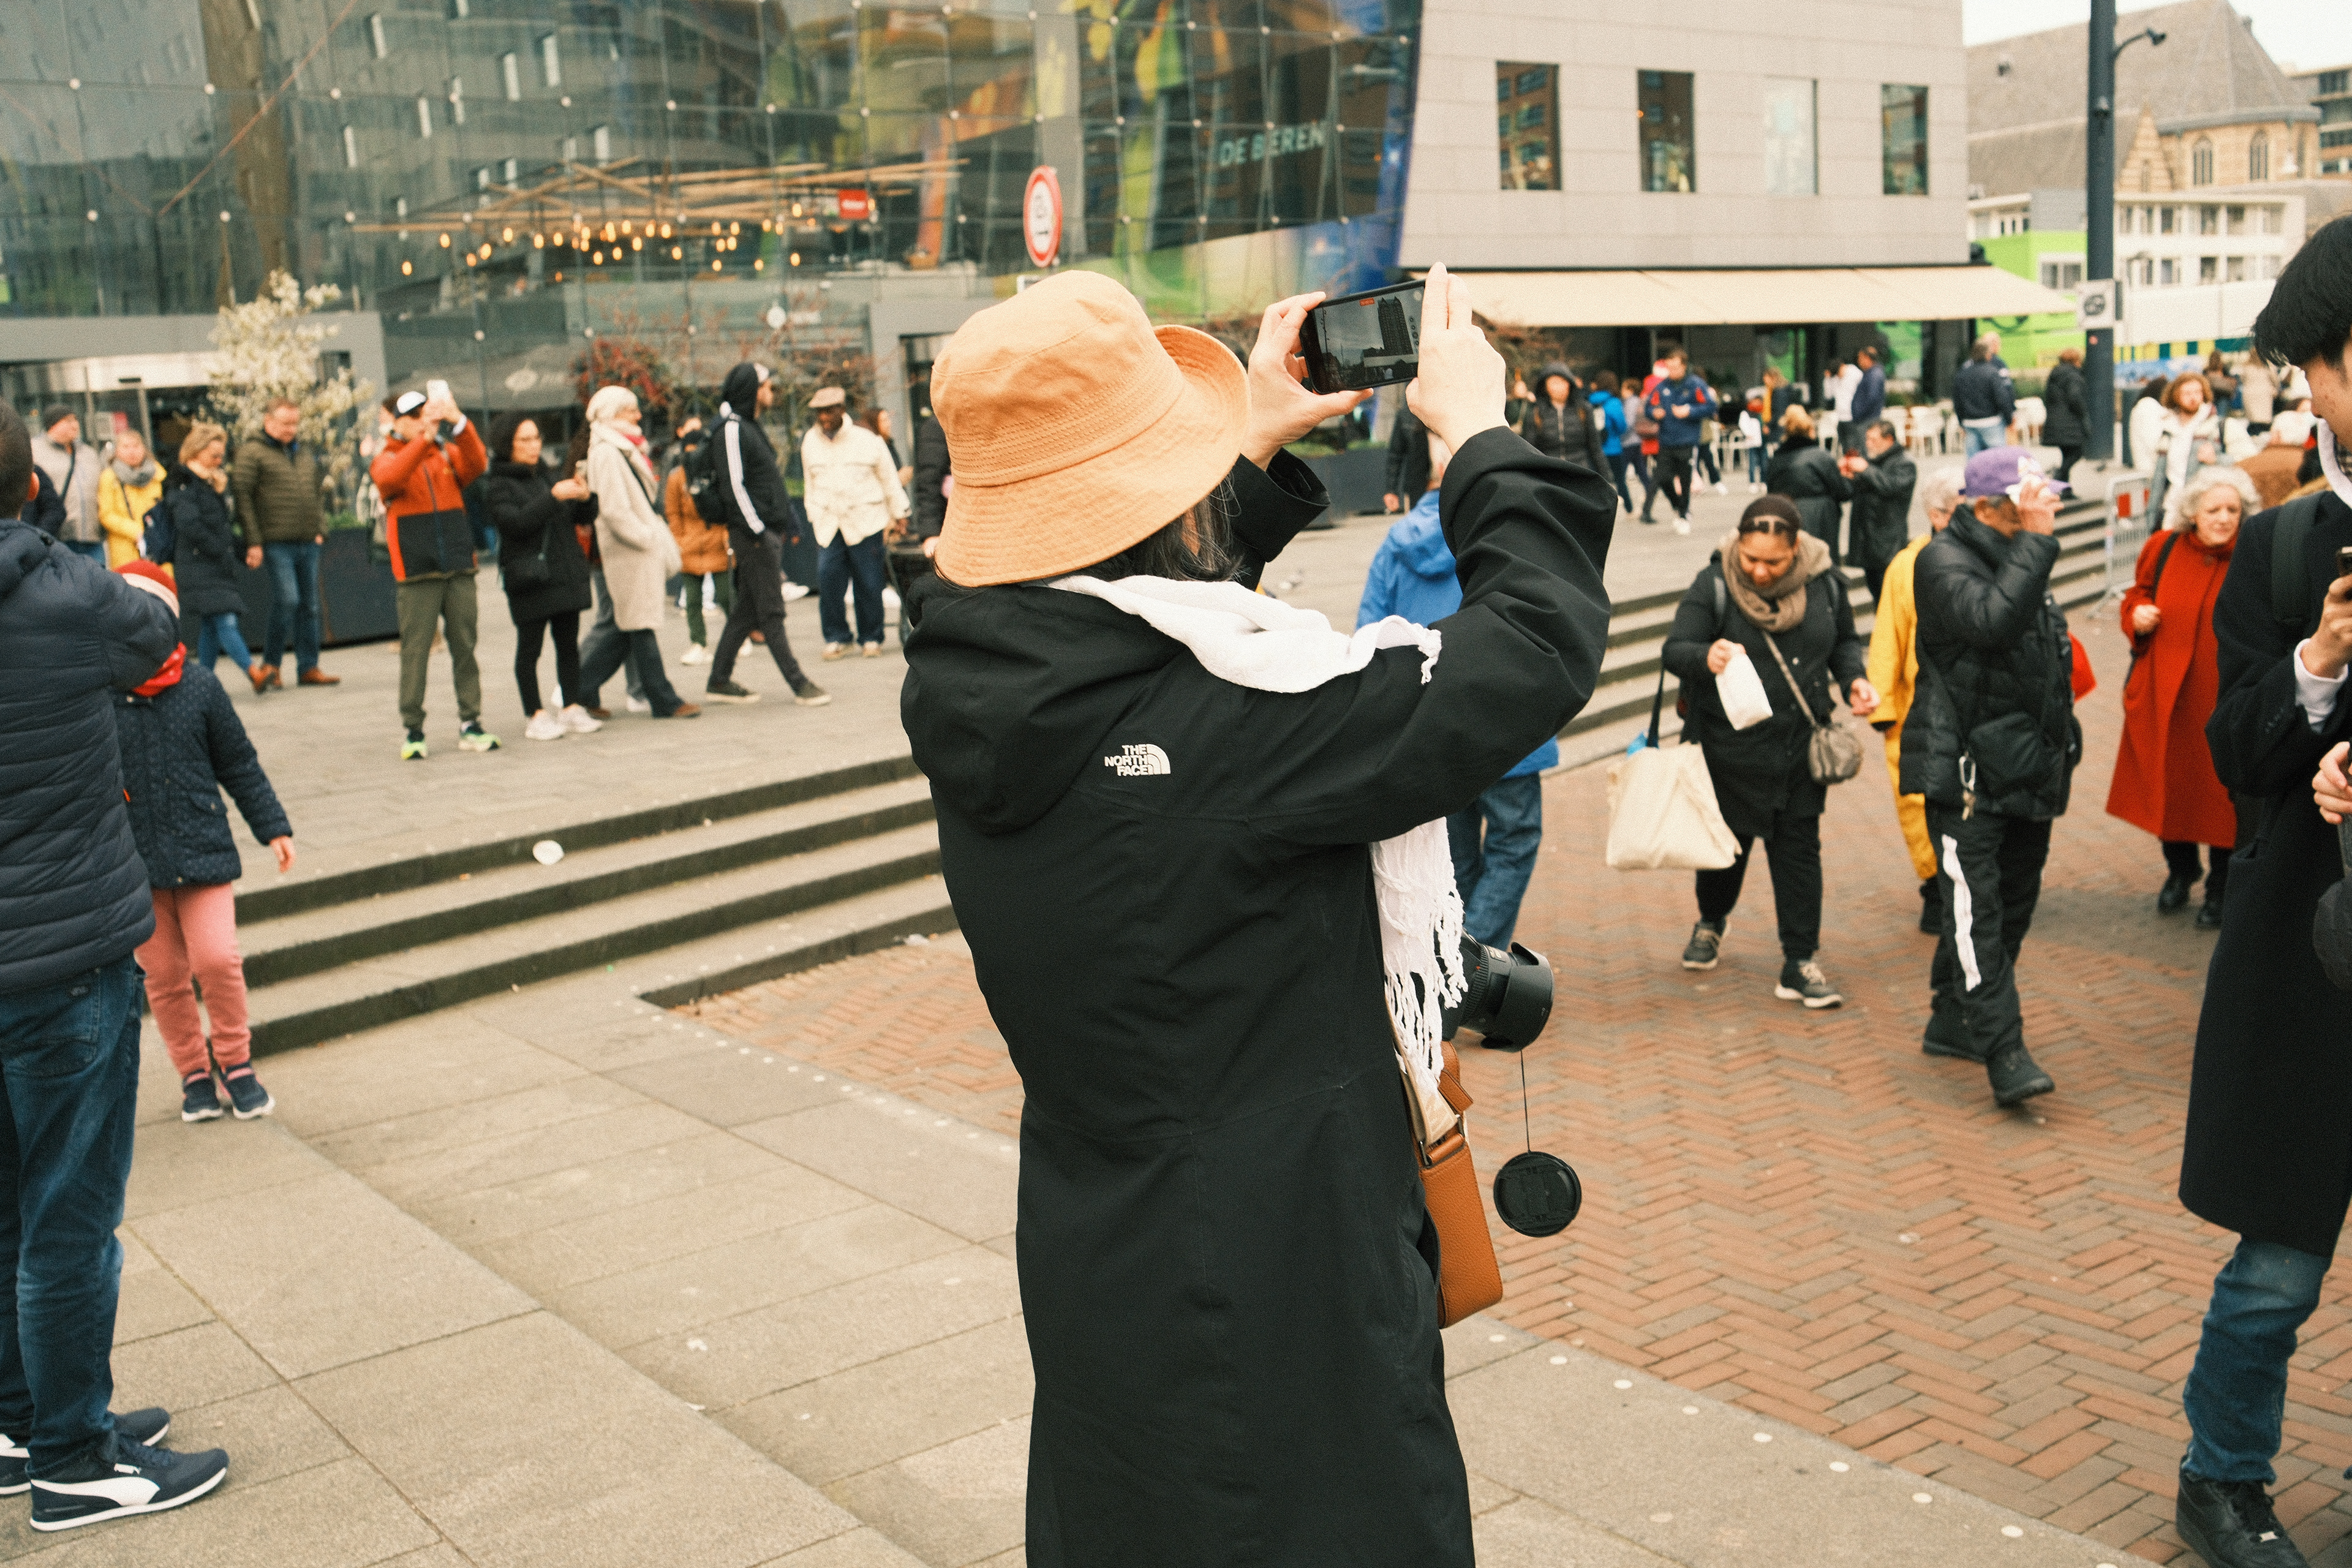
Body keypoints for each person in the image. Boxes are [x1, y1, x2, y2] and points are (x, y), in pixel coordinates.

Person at [901, 262, 1611, 1568]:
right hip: (1284, 1264)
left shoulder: (982, 676)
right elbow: (1532, 644)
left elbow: (1129, 617)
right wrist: (1480, 438)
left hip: (1109, 1240)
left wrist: (1250, 446)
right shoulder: (1237, 732)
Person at [0, 403, 229, 1530]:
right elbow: (159, 624)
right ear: (30, 485)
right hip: (64, 957)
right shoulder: (61, 591)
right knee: (68, 1221)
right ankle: (75, 1460)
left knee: (8, 1211)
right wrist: (47, 537)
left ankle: (21, 1422)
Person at [2174, 216, 2352, 1568]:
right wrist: (2318, 670)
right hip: (2313, 954)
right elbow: (2234, 748)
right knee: (2277, 1268)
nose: (2327, 396)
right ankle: (2223, 1480)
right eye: (2326, 371)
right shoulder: (2288, 545)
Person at [1902, 445, 2073, 1108]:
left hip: (2027, 767)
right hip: (1966, 775)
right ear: (1987, 508)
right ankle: (2003, 1049)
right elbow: (1991, 623)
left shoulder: (2021, 555)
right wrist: (2036, 542)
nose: (2045, 512)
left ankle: (1953, 1019)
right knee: (1978, 917)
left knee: (2015, 904)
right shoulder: (1941, 559)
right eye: (2031, 503)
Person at [1664, 497, 1874, 1007]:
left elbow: (1844, 641)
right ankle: (1711, 921)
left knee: (1799, 851)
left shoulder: (1825, 584)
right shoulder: (1714, 584)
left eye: (1773, 562)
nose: (1759, 571)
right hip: (1728, 749)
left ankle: (1799, 961)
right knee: (1726, 850)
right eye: (1751, 558)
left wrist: (1855, 679)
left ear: (1796, 549)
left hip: (1799, 747)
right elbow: (1675, 650)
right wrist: (1706, 655)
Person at [107, 559, 293, 1121]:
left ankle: (236, 1062)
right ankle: (193, 1072)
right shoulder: (100, 695)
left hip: (201, 848)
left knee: (217, 959)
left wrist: (273, 826)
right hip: (135, 866)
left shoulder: (199, 685)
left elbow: (239, 764)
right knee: (164, 977)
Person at [1356, 454, 1561, 954]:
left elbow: (1369, 637)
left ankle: (1454, 958)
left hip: (1431, 721)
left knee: (1456, 855)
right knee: (1514, 841)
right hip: (1507, 713)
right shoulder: (1506, 536)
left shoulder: (1396, 544)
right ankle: (1471, 966)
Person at [2107, 465, 2253, 929]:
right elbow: (2137, 595)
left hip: (2224, 698)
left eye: (2233, 510)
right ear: (2193, 513)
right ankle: (2181, 870)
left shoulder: (2254, 555)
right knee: (2168, 791)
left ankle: (2220, 889)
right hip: (2166, 697)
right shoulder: (2163, 546)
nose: (2224, 518)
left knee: (2225, 801)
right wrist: (2136, 614)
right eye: (2214, 510)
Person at [1864, 466, 1963, 933]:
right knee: (1920, 799)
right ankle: (1934, 886)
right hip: (1921, 705)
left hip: (1976, 703)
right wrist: (1883, 706)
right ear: (1938, 516)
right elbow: (1889, 636)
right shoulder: (1907, 566)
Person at [371, 388, 496, 760]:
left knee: (465, 646)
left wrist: (459, 422)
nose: (423, 422)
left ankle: (471, 722)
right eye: (414, 416)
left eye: (427, 414)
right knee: (416, 651)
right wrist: (422, 441)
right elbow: (390, 480)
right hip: (416, 570)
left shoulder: (446, 453)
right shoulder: (386, 457)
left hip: (457, 564)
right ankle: (413, 729)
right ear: (398, 422)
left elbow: (478, 463)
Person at [703, 362, 828, 707]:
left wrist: (785, 525)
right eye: (767, 386)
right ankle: (798, 682)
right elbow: (734, 487)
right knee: (771, 611)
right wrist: (758, 530)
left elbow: (766, 482)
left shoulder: (749, 427)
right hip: (753, 536)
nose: (772, 392)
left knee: (746, 611)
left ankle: (718, 680)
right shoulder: (731, 429)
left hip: (764, 533)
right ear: (752, 390)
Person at [576, 386, 696, 720]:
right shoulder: (608, 452)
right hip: (628, 551)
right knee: (638, 626)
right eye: (631, 410)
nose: (638, 416)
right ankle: (663, 699)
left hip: (631, 551)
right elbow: (614, 511)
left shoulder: (620, 448)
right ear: (613, 415)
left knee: (629, 627)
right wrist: (647, 539)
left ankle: (580, 690)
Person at [481, 412, 600, 742]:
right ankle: (534, 714)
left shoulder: (548, 476)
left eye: (537, 438)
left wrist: (585, 497)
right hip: (529, 577)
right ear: (507, 444)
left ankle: (571, 706)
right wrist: (553, 497)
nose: (534, 446)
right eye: (525, 440)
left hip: (563, 572)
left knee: (568, 645)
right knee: (530, 648)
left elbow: (581, 517)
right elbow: (516, 524)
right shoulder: (497, 484)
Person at [232, 397, 338, 689]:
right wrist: (253, 541)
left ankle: (308, 667)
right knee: (288, 601)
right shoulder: (251, 452)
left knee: (310, 606)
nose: (292, 429)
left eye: (295, 423)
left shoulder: (303, 451)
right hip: (275, 542)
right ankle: (272, 665)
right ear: (268, 421)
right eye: (285, 423)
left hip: (308, 540)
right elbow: (243, 498)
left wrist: (321, 529)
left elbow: (316, 493)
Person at [800, 386, 908, 659]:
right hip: (829, 524)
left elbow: (889, 480)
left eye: (828, 411)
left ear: (842, 409)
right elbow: (809, 484)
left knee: (869, 582)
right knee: (828, 580)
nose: (823, 417)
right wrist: (813, 513)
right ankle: (837, 637)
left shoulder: (868, 440)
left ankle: (871, 637)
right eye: (819, 412)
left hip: (866, 521)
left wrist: (900, 514)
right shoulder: (810, 442)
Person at [165, 423, 268, 696]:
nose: (219, 461)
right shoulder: (183, 483)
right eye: (214, 455)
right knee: (225, 619)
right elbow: (190, 526)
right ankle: (253, 672)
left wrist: (240, 551)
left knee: (212, 626)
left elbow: (221, 527)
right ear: (196, 452)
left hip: (212, 564)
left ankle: (201, 686)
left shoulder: (209, 483)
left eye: (222, 455)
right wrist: (222, 550)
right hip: (198, 566)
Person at [662, 417, 734, 666]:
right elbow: (672, 512)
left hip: (716, 540)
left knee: (726, 596)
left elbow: (727, 506)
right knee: (693, 600)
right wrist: (679, 538)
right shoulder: (676, 478)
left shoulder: (715, 474)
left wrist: (725, 535)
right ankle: (698, 643)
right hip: (690, 545)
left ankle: (737, 638)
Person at [1765, 405, 1852, 568]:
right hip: (1822, 517)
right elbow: (1844, 492)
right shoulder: (1820, 457)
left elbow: (1771, 493)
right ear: (1811, 431)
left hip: (1788, 516)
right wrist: (1848, 477)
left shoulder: (1776, 460)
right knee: (1823, 563)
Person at [1842, 418, 1918, 603]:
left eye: (1873, 440)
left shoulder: (1904, 464)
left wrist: (1865, 469)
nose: (1868, 444)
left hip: (1888, 542)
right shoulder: (1873, 461)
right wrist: (1848, 476)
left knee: (1889, 597)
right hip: (1867, 539)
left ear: (1889, 439)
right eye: (1867, 439)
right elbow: (1855, 491)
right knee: (1876, 591)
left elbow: (1890, 486)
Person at [1643, 347, 1715, 535]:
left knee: (1685, 480)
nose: (1672, 371)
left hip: (1687, 440)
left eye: (1675, 367)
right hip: (1666, 441)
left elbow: (1710, 406)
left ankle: (1684, 515)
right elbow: (1649, 407)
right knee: (1662, 477)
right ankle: (1677, 505)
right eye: (1669, 368)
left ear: (1684, 366)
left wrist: (1690, 411)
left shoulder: (1695, 384)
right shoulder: (1662, 387)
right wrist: (1654, 413)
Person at [28, 408, 102, 564]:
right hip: (58, 538)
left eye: (76, 420)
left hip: (93, 538)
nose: (75, 425)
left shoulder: (88, 452)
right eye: (68, 421)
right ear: (52, 425)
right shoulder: (34, 451)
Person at [2152, 372, 2223, 526]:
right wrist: (2151, 514)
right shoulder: (2168, 427)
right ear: (2176, 396)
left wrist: (2217, 460)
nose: (2193, 397)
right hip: (2172, 505)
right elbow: (2158, 476)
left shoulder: (2217, 425)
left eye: (2198, 392)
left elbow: (2245, 459)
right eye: (2187, 393)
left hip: (2204, 507)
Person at [95, 428, 162, 569]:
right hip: (126, 547)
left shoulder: (158, 474)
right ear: (116, 451)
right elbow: (106, 514)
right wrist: (136, 531)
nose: (132, 452)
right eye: (126, 447)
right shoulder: (110, 477)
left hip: (158, 543)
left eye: (136, 446)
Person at [1518, 363, 1602, 475]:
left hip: (1579, 472)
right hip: (1550, 474)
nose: (1560, 387)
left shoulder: (1583, 410)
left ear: (1570, 384)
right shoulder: (1536, 413)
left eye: (1563, 381)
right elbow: (1530, 450)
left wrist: (1607, 479)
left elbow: (1595, 448)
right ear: (1545, 387)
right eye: (1555, 383)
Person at [1952, 334, 2018, 456]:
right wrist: (2009, 419)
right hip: (1991, 422)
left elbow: (1957, 401)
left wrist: (1961, 422)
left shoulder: (1962, 374)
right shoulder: (1992, 372)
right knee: (1997, 459)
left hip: (1970, 423)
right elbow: (2002, 398)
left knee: (1974, 461)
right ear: (1988, 355)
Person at [1589, 380, 1636, 514]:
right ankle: (1629, 509)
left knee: (1595, 482)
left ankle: (1597, 511)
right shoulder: (1614, 402)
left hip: (1595, 449)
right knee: (1620, 480)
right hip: (1613, 447)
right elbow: (1622, 426)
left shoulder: (1589, 401)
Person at [2043, 347, 2088, 486]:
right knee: (2078, 452)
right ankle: (2058, 475)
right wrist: (2083, 413)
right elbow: (2075, 397)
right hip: (2070, 422)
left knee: (2067, 454)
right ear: (2076, 360)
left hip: (2055, 422)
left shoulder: (2054, 375)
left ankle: (2065, 489)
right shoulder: (2073, 376)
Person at [1382, 398, 1432, 513]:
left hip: (1447, 486)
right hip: (1417, 487)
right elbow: (1395, 455)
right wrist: (1391, 490)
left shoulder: (1448, 408)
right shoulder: (1406, 414)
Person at [1623, 375, 1656, 512]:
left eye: (1624, 388)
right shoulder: (1639, 400)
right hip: (1638, 439)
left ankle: (1625, 499)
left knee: (1621, 473)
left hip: (1630, 441)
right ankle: (1650, 492)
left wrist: (1621, 435)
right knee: (1642, 471)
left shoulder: (1631, 402)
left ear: (1630, 390)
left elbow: (1629, 422)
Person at [1849, 347, 1887, 447]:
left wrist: (1859, 413)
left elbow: (1872, 398)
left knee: (1867, 449)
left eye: (1860, 358)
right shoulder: (1871, 373)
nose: (1859, 361)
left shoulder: (1874, 375)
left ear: (1867, 358)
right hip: (1866, 420)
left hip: (1867, 421)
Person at [2240, 356, 2277, 438]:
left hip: (2250, 394)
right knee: (2264, 420)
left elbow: (2242, 379)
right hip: (2264, 394)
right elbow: (2275, 379)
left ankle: (2253, 436)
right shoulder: (2268, 365)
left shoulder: (2246, 366)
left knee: (2253, 419)